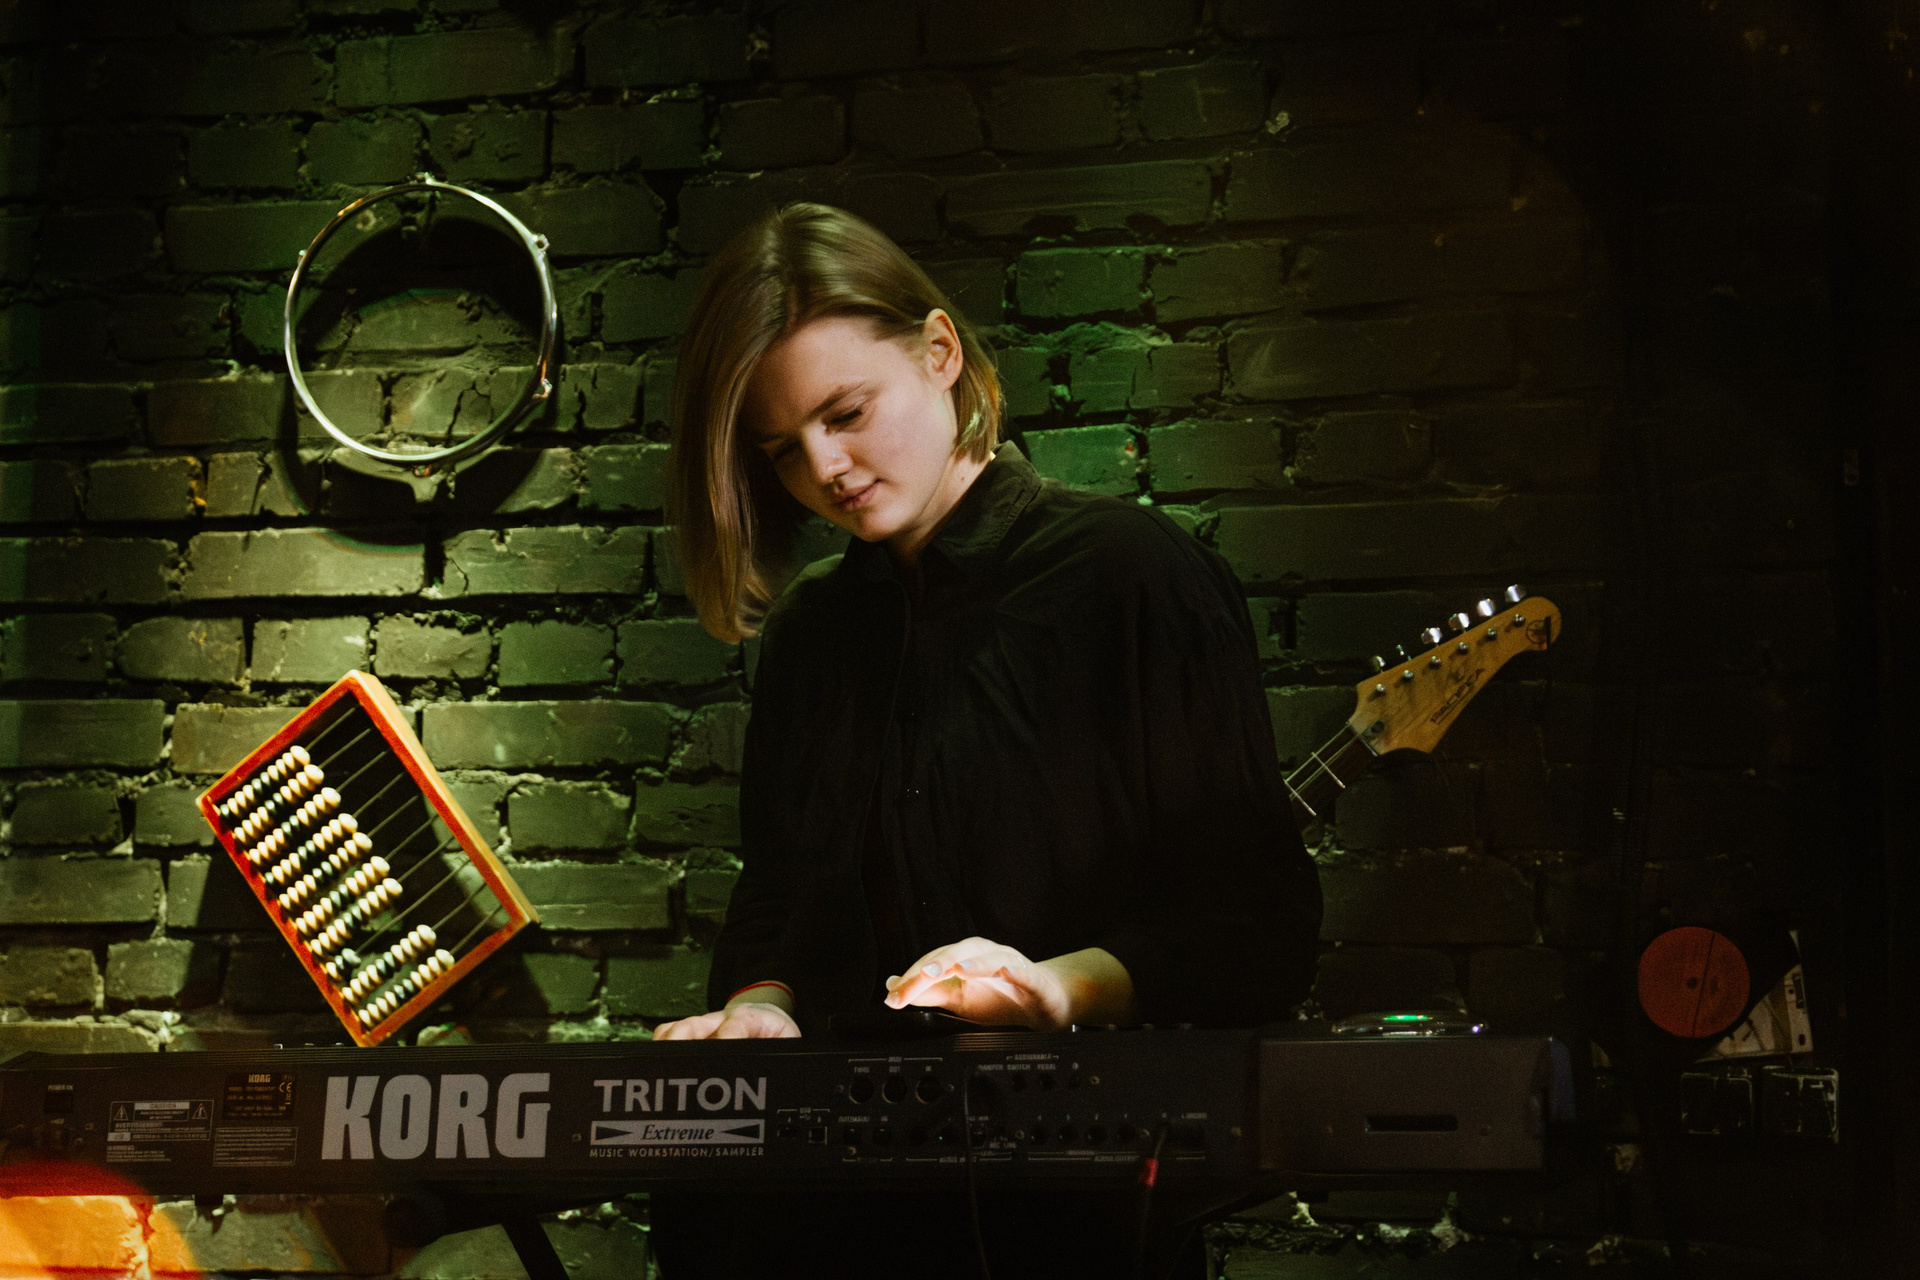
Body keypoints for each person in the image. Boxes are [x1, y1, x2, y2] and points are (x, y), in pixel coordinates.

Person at [647, 202, 1323, 1279]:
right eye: (782, 450)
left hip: (1068, 1219)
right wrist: (760, 1003)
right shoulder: (812, 632)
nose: (825, 467)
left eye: (846, 412)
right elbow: (776, 897)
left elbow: (1258, 926)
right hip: (823, 1222)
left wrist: (1060, 988)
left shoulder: (1134, 576)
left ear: (940, 351)